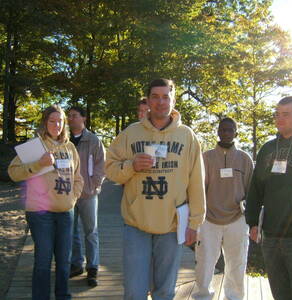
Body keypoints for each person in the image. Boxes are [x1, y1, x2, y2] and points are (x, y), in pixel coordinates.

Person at [105, 78, 206, 300]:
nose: (161, 102)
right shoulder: (131, 133)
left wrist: (195, 223)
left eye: (165, 96)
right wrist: (131, 166)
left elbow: (197, 182)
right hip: (136, 224)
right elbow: (110, 169)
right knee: (134, 292)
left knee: (165, 291)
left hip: (172, 225)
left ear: (173, 99)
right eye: (155, 96)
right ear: (148, 100)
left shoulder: (187, 136)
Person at [8, 105, 83, 300]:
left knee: (64, 261)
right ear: (45, 123)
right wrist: (38, 164)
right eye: (52, 121)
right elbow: (13, 173)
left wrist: (72, 198)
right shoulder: (35, 146)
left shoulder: (70, 147)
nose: (57, 125)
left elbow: (78, 178)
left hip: (66, 212)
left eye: (60, 121)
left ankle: (63, 296)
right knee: (43, 260)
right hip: (40, 214)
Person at [246, 96, 292, 300]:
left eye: (286, 114)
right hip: (271, 237)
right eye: (277, 114)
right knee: (280, 294)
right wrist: (252, 222)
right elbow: (256, 188)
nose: (279, 118)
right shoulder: (267, 149)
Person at [194, 118, 253, 300]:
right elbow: (198, 189)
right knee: (205, 263)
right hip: (208, 219)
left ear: (236, 133)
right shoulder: (206, 157)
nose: (226, 133)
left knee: (237, 263)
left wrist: (251, 219)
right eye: (223, 129)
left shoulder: (244, 159)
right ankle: (203, 296)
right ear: (218, 132)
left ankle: (234, 296)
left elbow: (251, 190)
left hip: (237, 218)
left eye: (230, 130)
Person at [67, 106, 105, 287]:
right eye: (69, 116)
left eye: (74, 116)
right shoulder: (64, 140)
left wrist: (93, 185)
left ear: (84, 118)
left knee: (91, 231)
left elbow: (101, 166)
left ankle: (93, 268)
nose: (70, 119)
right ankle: (76, 264)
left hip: (89, 194)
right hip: (68, 194)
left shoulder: (93, 140)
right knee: (71, 231)